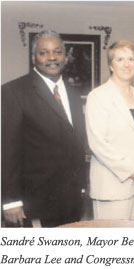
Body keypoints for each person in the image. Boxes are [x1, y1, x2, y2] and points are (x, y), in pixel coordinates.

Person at [1, 30, 85, 227]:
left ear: (65, 56)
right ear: (33, 58)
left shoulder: (73, 93)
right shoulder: (13, 91)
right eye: (43, 53)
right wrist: (10, 201)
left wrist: (81, 187)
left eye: (57, 52)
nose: (52, 58)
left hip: (70, 202)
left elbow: (76, 143)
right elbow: (6, 150)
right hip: (32, 205)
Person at [85, 40, 134, 222]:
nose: (126, 64)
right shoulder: (98, 97)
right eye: (120, 59)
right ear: (111, 65)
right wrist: (131, 170)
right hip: (112, 186)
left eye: (131, 59)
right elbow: (98, 144)